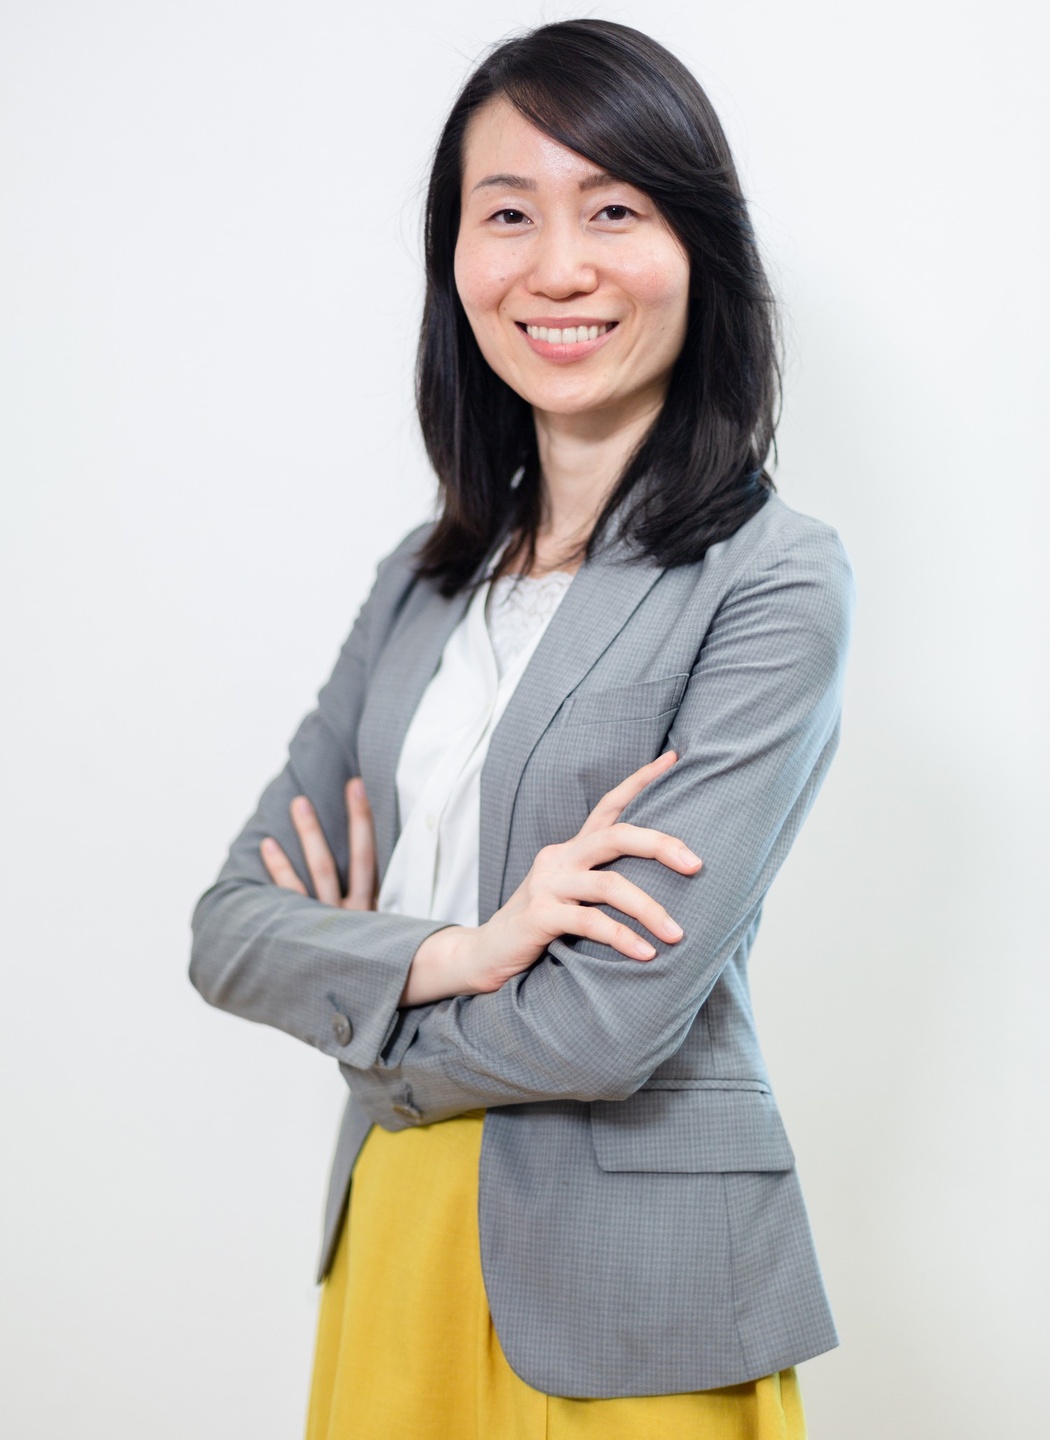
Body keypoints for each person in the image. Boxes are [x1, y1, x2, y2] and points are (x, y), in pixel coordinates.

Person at [189, 18, 854, 1439]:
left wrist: (356, 996)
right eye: (507, 214)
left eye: (613, 210)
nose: (556, 267)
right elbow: (228, 928)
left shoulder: (772, 578)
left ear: (698, 249)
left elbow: (608, 1028)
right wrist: (463, 950)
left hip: (637, 1292)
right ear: (456, 260)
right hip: (394, 1228)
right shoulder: (422, 581)